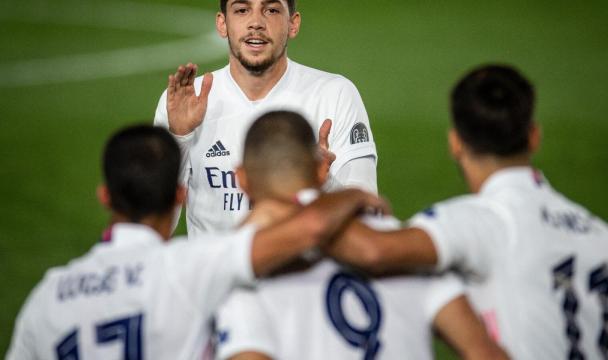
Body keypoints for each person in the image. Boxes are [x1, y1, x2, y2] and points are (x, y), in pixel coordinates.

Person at [328, 65, 608, 359]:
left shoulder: (477, 222)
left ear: (455, 143)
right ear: (534, 136)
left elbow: (371, 251)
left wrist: (314, 186)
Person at [5, 125, 385, 360]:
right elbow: (310, 227)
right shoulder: (191, 267)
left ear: (105, 197)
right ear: (179, 196)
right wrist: (349, 194)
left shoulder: (49, 295)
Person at [214, 111, 508, 360]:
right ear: (320, 170)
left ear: (241, 179)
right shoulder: (400, 242)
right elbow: (484, 351)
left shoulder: (242, 272)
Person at [154, 0, 378, 235]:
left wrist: (323, 181)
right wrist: (179, 138)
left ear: (293, 24)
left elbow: (370, 219)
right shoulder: (185, 102)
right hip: (218, 271)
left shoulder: (335, 94)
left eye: (271, 10)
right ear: (222, 24)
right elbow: (156, 229)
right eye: (242, 10)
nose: (256, 23)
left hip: (301, 270)